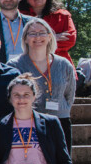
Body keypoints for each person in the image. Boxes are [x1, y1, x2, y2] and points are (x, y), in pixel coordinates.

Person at [12, 18, 77, 151]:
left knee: (62, 162)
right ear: (25, 39)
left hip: (60, 121)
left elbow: (69, 95)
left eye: (42, 33)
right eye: (32, 33)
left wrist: (62, 110)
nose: (37, 37)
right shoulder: (15, 66)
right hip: (28, 123)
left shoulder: (64, 64)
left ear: (49, 37)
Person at [19, 0, 77, 65]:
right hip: (29, 64)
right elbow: (17, 42)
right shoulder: (19, 17)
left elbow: (69, 40)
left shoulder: (62, 15)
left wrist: (34, 42)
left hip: (59, 64)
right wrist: (53, 37)